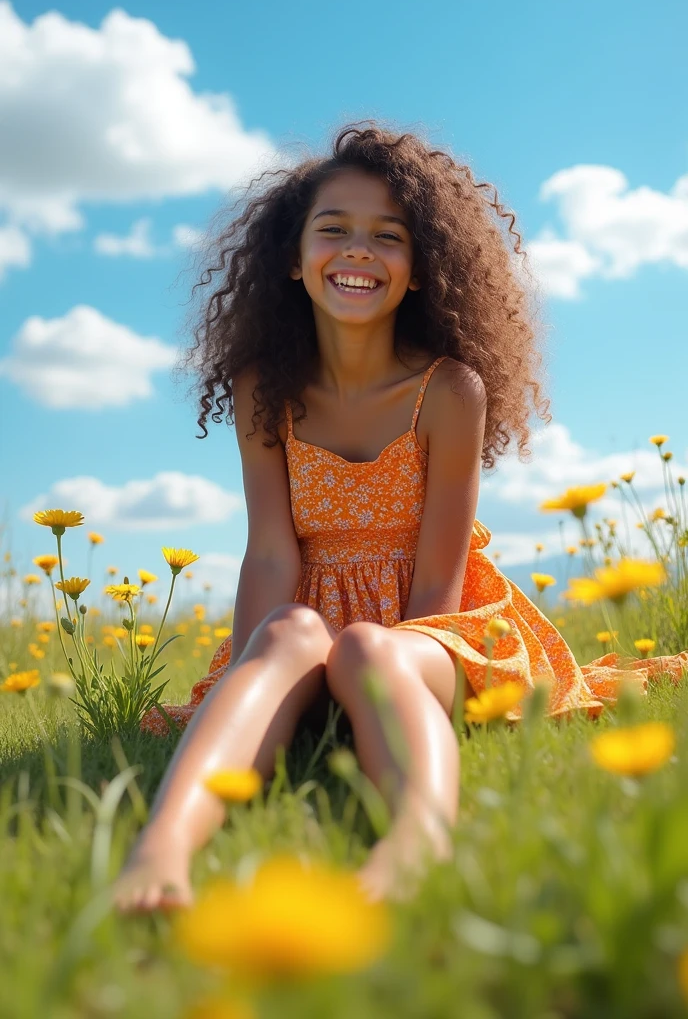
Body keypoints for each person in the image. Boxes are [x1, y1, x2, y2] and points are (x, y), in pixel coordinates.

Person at [114, 121, 688, 913]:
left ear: (419, 272)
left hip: (433, 630)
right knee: (288, 634)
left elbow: (439, 574)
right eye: (334, 230)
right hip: (309, 615)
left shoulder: (449, 390)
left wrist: (380, 672)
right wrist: (243, 670)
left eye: (388, 237)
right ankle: (163, 847)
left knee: (368, 651)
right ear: (293, 258)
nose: (358, 250)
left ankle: (416, 843)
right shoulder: (262, 389)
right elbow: (272, 553)